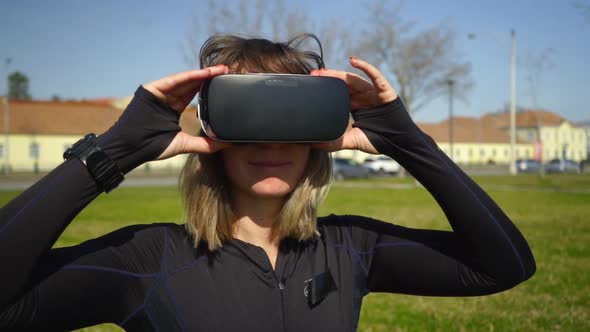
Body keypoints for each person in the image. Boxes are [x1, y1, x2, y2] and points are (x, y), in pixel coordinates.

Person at [0, 34, 535, 331]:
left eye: (292, 119)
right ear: (215, 132)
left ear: (317, 136)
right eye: (252, 118)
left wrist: (408, 142)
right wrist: (111, 154)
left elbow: (502, 267)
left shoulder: (349, 249)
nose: (273, 143)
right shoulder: (147, 260)